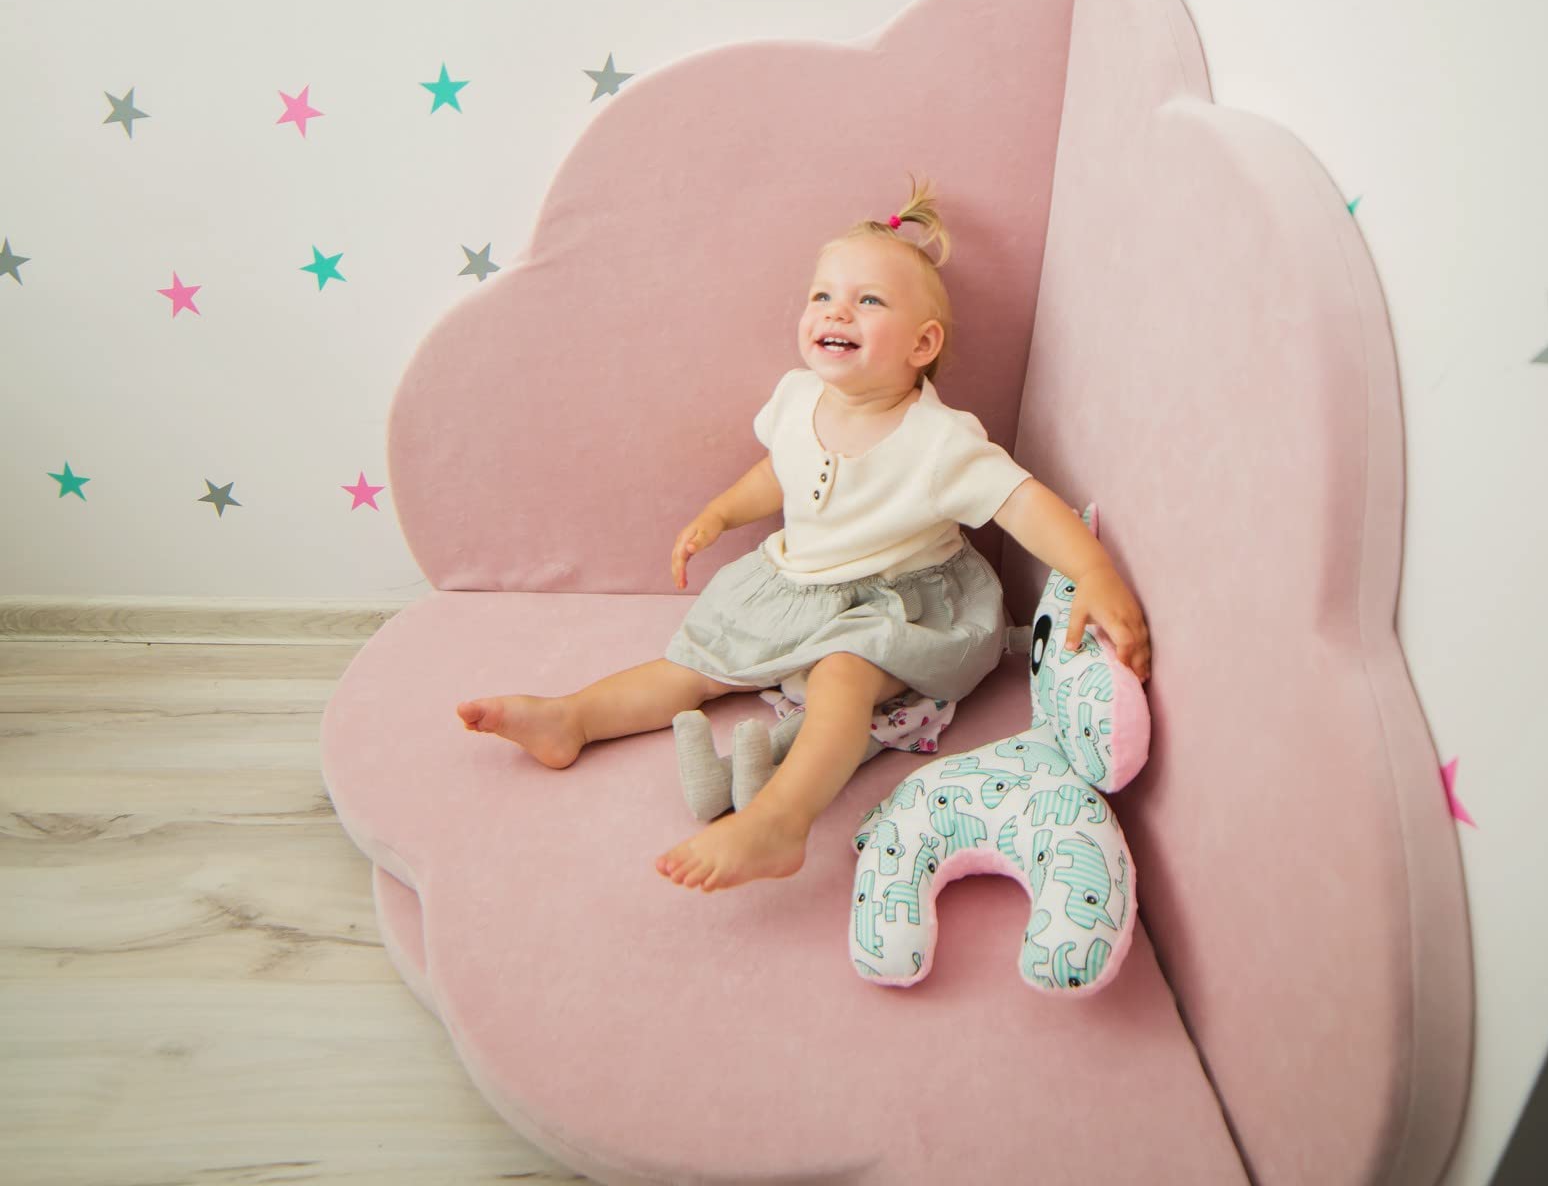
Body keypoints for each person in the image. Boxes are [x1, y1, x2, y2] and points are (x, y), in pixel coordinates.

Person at [456, 173, 1151, 893]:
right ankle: (571, 718)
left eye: (868, 300)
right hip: (798, 585)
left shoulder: (940, 441)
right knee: (696, 666)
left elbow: (1022, 502)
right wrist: (721, 513)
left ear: (922, 344)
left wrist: (1093, 572)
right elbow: (777, 473)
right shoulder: (797, 397)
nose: (836, 310)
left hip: (899, 603)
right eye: (822, 295)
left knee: (841, 676)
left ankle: (781, 821)